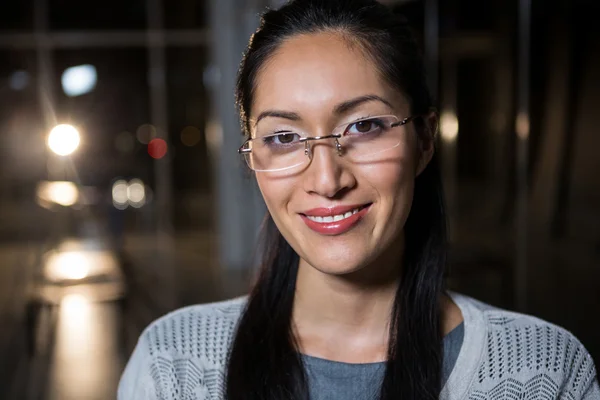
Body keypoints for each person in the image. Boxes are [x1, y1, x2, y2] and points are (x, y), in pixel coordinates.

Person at [118, 1, 599, 399]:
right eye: (283, 137)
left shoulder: (543, 369)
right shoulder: (176, 365)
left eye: (365, 126)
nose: (326, 180)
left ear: (425, 140)